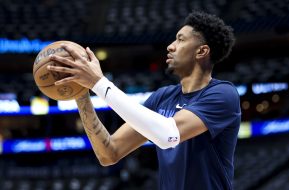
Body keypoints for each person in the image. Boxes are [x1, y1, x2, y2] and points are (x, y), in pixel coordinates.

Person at [47, 11, 241, 190]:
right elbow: (109, 153)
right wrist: (81, 93)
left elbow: (168, 135)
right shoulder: (162, 97)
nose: (170, 46)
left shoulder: (223, 94)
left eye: (180, 40)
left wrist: (98, 83)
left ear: (201, 51)